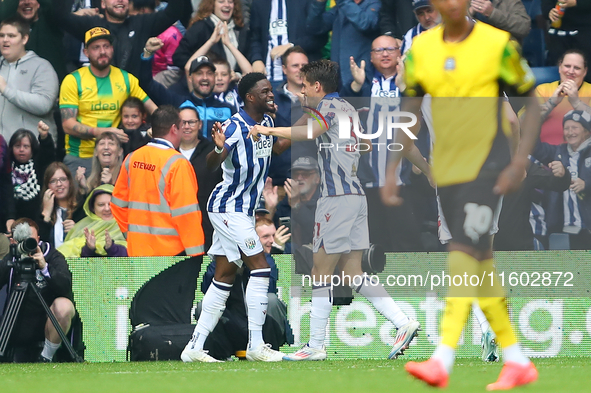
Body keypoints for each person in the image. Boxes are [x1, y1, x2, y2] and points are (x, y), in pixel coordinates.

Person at [381, 0, 541, 388]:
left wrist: (517, 162)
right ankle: (516, 358)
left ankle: (443, 356)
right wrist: (393, 169)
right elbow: (411, 114)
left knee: (461, 252)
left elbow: (524, 107)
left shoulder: (497, 43)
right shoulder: (422, 51)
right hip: (449, 176)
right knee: (479, 257)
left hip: (485, 170)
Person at [250, 60, 421, 361]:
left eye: (304, 87)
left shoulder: (328, 109)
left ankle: (315, 345)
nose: (301, 92)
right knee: (352, 271)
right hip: (356, 195)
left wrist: (267, 128)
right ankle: (402, 321)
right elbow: (363, 146)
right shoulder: (347, 108)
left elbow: (309, 133)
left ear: (317, 87)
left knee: (320, 271)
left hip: (337, 199)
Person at [181, 72, 291, 363]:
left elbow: (277, 148)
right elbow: (212, 161)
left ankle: (193, 347)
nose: (271, 95)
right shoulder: (234, 126)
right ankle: (256, 344)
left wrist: (303, 125)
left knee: (225, 276)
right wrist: (217, 147)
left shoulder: (266, 123)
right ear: (250, 97)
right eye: (265, 91)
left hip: (241, 210)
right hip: (227, 207)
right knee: (260, 266)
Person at [346, 34, 432, 252]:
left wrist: (404, 86)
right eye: (378, 50)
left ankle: (412, 285)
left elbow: (424, 121)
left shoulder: (416, 84)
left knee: (408, 241)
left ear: (399, 54)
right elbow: (344, 116)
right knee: (375, 243)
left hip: (406, 179)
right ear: (371, 57)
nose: (384, 54)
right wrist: (355, 86)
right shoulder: (364, 84)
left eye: (390, 49)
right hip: (369, 180)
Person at [59, 27, 157, 175]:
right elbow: (67, 125)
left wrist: (154, 128)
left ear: (112, 49)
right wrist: (103, 132)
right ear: (86, 52)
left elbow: (154, 110)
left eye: (106, 46)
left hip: (116, 158)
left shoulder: (126, 79)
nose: (102, 51)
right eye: (96, 48)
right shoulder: (73, 80)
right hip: (81, 157)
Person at [112, 105, 205, 257]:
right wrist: (196, 255)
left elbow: (117, 204)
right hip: (171, 254)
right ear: (174, 128)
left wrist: (130, 235)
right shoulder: (177, 163)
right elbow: (187, 214)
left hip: (138, 250)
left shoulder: (132, 158)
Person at [193, 216, 292, 360]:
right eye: (266, 236)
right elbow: (207, 288)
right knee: (203, 306)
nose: (271, 240)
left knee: (271, 301)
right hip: (230, 322)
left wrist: (249, 264)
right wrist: (230, 264)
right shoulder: (222, 258)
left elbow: (269, 287)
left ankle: (268, 350)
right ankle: (219, 355)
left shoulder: (266, 260)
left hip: (261, 322)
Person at [0, 218, 75, 362]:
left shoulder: (52, 255)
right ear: (13, 242)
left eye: (31, 241)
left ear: (39, 239)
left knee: (64, 305)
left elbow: (65, 287)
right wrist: (10, 262)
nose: (27, 246)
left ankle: (46, 357)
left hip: (48, 325)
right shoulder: (11, 258)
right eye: (22, 241)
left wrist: (45, 267)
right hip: (17, 326)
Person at [53, 0, 191, 77]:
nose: (120, 0)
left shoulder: (142, 23)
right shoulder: (92, 24)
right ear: (103, 4)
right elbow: (58, 16)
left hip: (134, 100)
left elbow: (174, 12)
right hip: (99, 95)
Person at [140, 37, 235, 138]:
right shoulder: (177, 102)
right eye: (199, 73)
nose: (205, 78)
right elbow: (147, 84)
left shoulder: (228, 109)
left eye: (209, 73)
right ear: (190, 78)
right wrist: (148, 53)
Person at [531, 110, 591, 249]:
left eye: (575, 127)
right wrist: (542, 113)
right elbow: (534, 147)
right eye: (566, 128)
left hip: (587, 227)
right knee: (566, 269)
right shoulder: (558, 152)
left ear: (586, 131)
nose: (570, 132)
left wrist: (586, 184)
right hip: (562, 228)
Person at [0, 17, 59, 145]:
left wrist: (6, 90)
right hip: (3, 152)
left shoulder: (42, 67)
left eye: (11, 36)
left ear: (24, 39)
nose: (5, 40)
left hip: (33, 150)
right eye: (1, 35)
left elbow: (44, 105)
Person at [249, 0, 327, 87]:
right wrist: (256, 59)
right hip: (269, 77)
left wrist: (291, 45)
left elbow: (320, 38)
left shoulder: (306, 2)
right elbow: (255, 37)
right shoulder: (259, 3)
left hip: (303, 80)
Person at [177, 102, 222, 251]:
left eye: (191, 122)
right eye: (182, 123)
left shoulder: (212, 151)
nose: (187, 126)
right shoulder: (168, 152)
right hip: (175, 226)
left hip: (207, 225)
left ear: (200, 124)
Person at [306, 0, 381, 87]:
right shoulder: (341, 7)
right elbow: (315, 28)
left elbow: (365, 24)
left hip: (362, 76)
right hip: (338, 77)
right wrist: (319, 3)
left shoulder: (374, 3)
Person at [173, 0, 249, 76]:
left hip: (235, 83)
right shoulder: (200, 27)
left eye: (230, 2)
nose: (227, 5)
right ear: (212, 5)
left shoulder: (240, 29)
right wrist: (205, 71)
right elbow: (179, 57)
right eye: (221, 1)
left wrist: (237, 75)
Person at [535, 50, 591, 145]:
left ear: (585, 72)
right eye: (567, 66)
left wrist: (577, 103)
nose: (571, 71)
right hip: (546, 152)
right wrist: (551, 103)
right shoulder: (542, 89)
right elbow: (523, 123)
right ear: (560, 67)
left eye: (577, 68)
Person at [58, 184, 127, 257]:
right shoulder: (81, 227)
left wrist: (112, 248)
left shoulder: (126, 225)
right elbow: (69, 261)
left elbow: (134, 257)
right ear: (93, 208)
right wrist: (88, 249)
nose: (107, 209)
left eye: (110, 204)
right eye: (101, 205)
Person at [8, 122, 55, 223]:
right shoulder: (7, 168)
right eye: (17, 146)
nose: (21, 150)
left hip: (37, 219)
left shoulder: (38, 164)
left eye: (26, 146)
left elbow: (48, 154)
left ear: (32, 149)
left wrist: (44, 137)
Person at [39, 162, 85, 248]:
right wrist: (46, 213)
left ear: (69, 182)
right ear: (47, 186)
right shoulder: (40, 210)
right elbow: (39, 244)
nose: (59, 184)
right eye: (53, 181)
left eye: (63, 179)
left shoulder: (81, 207)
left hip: (75, 260)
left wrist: (76, 231)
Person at [543, 0, 591, 77]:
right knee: (558, 72)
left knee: (585, 70)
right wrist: (549, 11)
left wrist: (577, 2)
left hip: (585, 31)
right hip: (558, 33)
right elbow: (546, 5)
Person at [75, 132, 124, 197]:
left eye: (111, 144)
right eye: (102, 144)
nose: (106, 147)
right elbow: (85, 206)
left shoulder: (127, 178)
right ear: (96, 152)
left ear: (120, 151)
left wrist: (110, 186)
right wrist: (83, 189)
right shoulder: (91, 182)